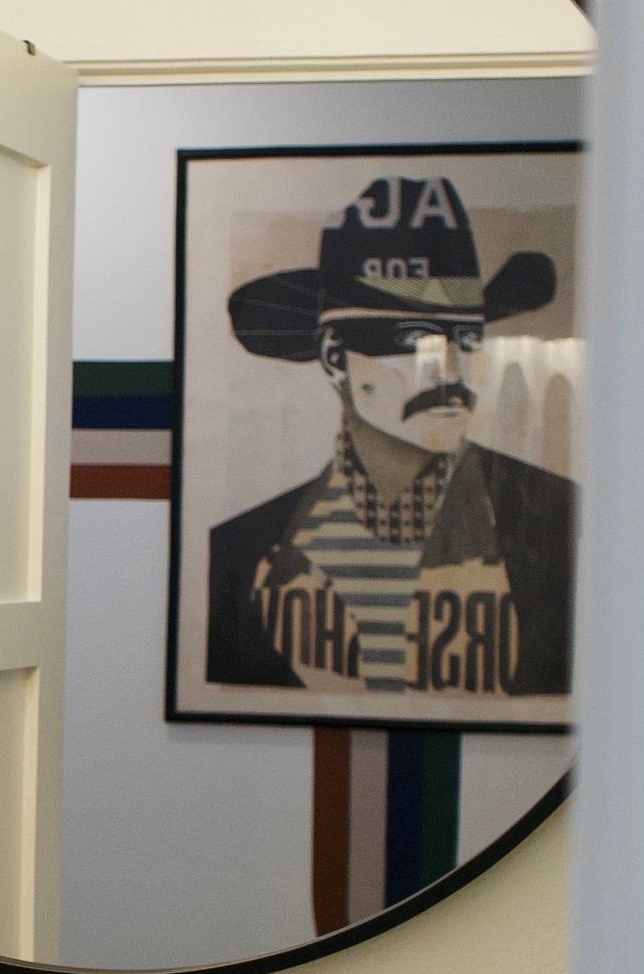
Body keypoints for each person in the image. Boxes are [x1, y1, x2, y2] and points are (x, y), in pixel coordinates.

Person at [204, 174, 573, 698]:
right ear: (336, 357)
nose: (451, 370)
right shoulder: (245, 552)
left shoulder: (558, 522)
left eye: (468, 339)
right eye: (416, 341)